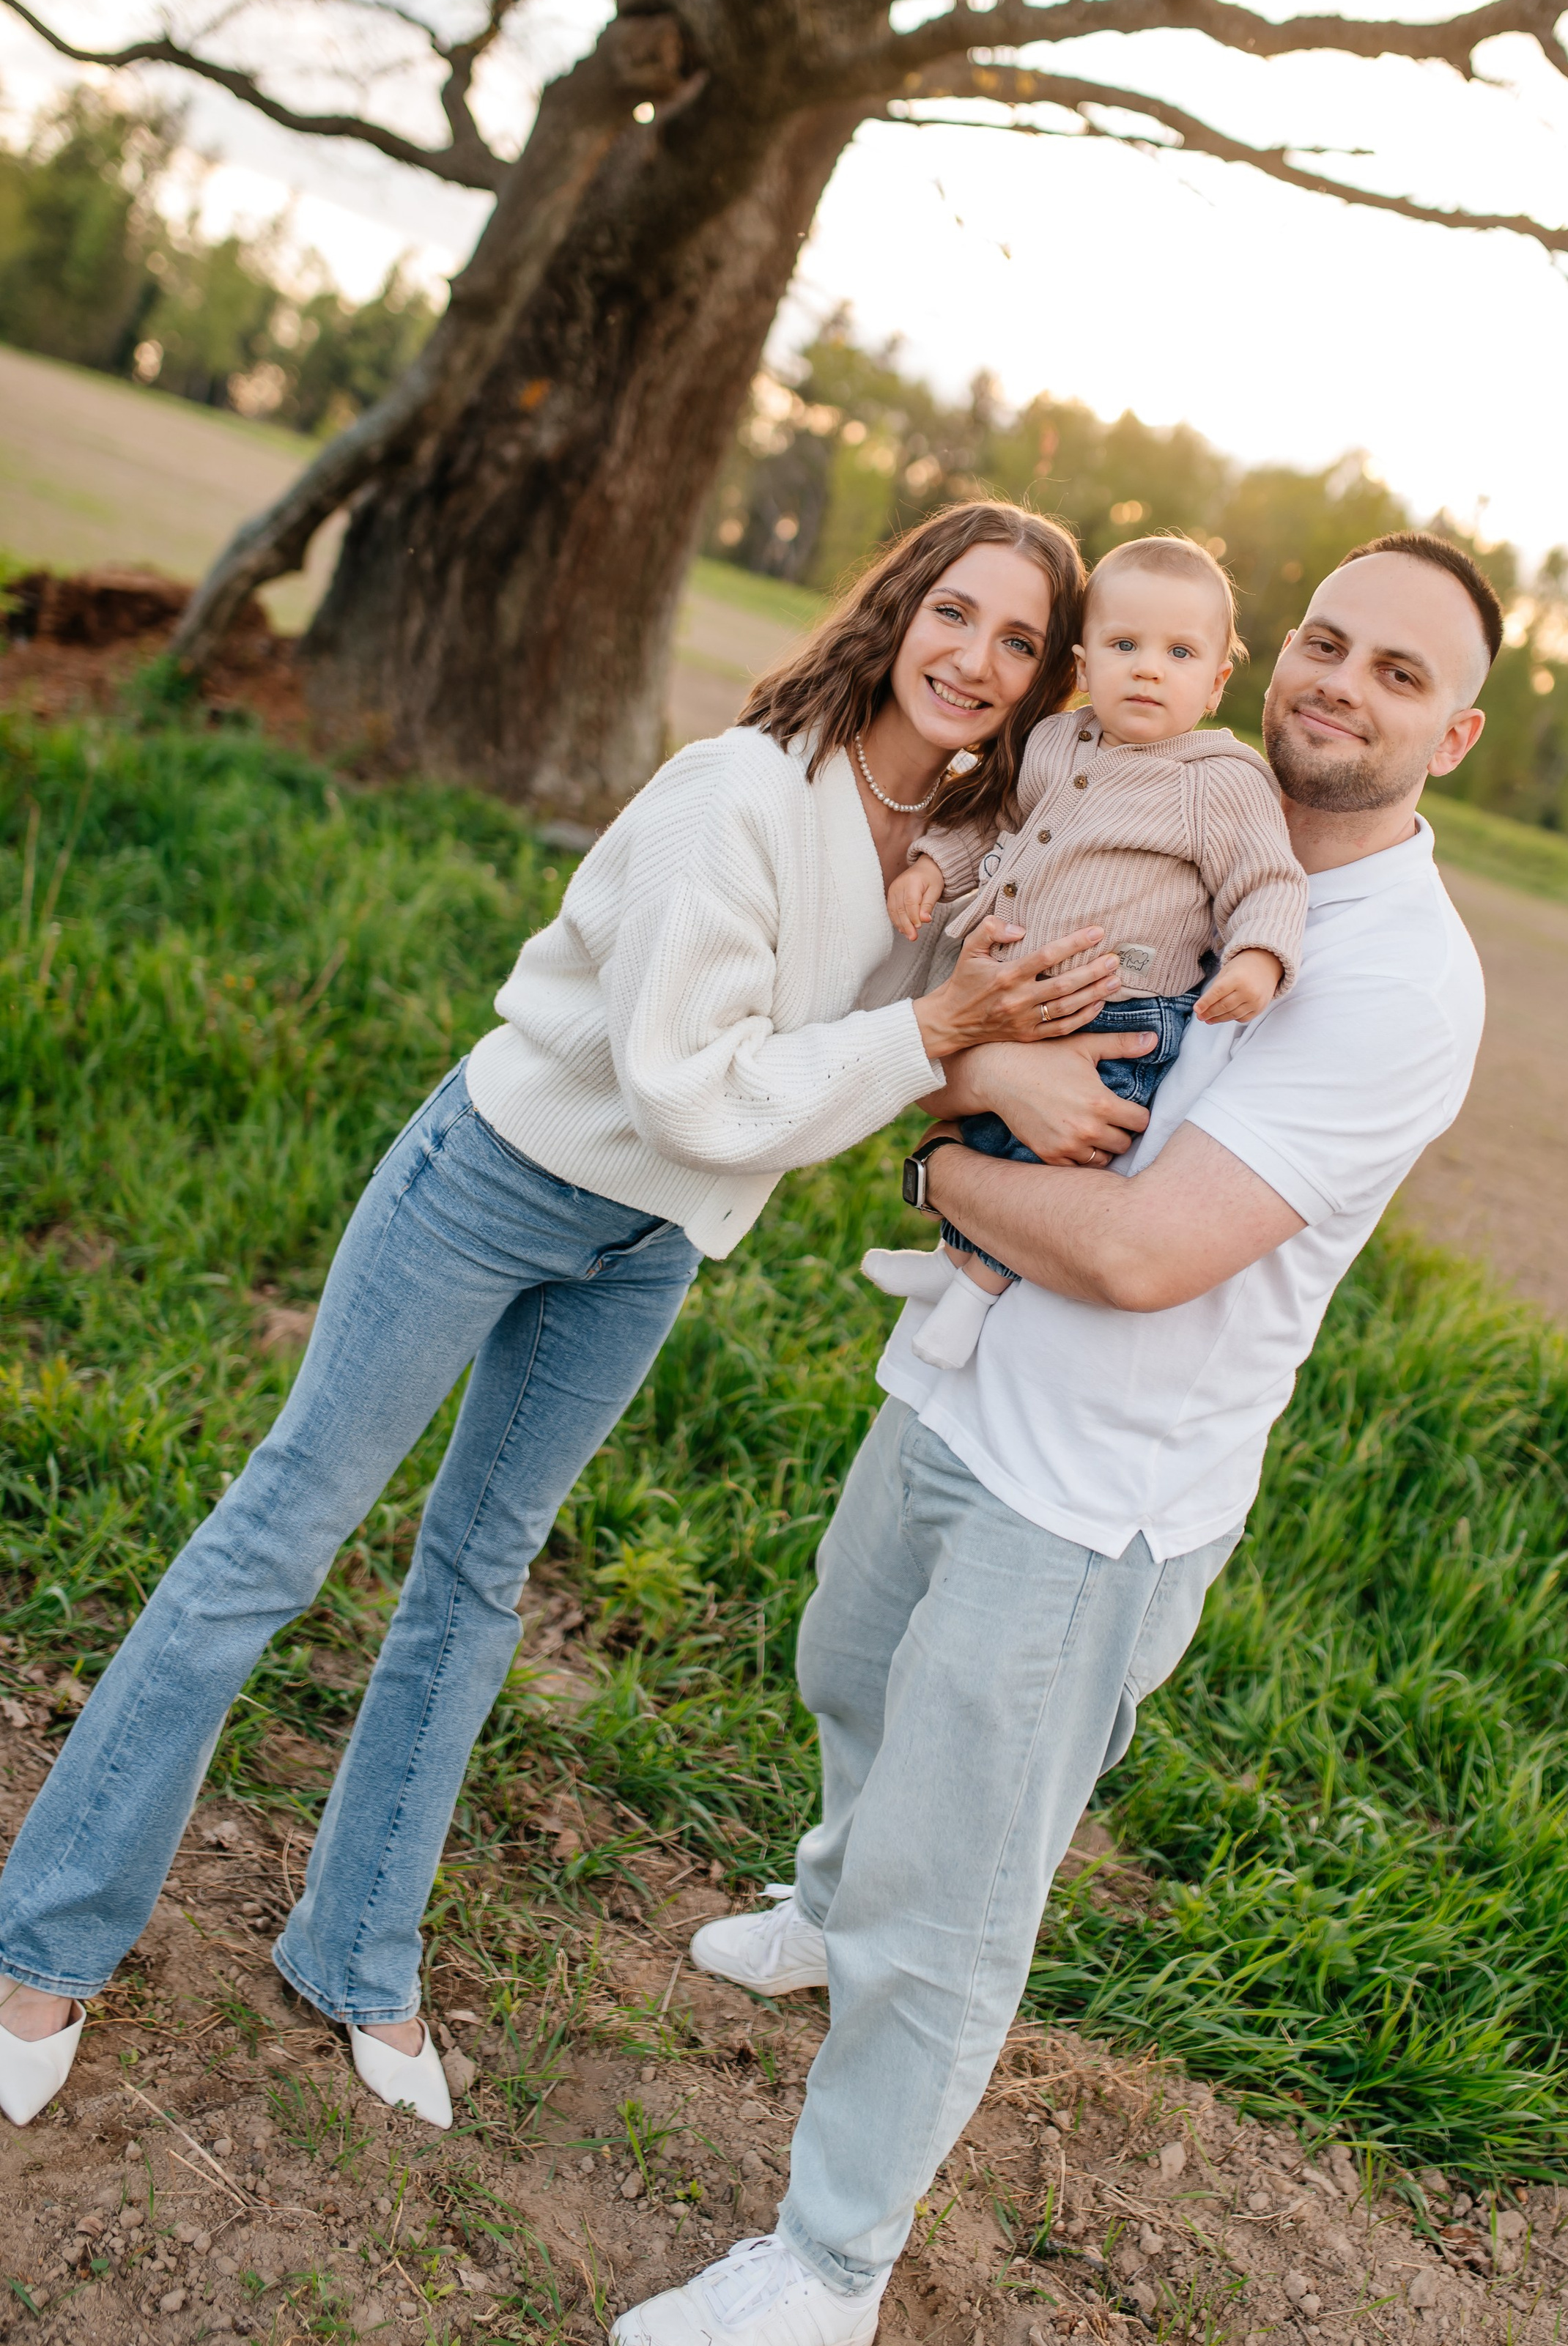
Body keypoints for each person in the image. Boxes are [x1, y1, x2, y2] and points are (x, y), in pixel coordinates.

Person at [0, 501, 1123, 2136]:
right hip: (496, 1178)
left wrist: (988, 1047)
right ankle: (46, 1942)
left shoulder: (955, 845)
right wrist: (945, 1030)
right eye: (957, 612)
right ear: (894, 606)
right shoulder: (738, 794)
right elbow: (694, 1086)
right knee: (279, 1537)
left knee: (476, 1579)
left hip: (645, 1243)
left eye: (1020, 640)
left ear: (1044, 680)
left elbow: (866, 1063)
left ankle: (355, 1951)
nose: (976, 658)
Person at [608, 529, 1498, 2346]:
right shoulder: (1158, 802)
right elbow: (952, 1020)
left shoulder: (1397, 977)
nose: (1340, 681)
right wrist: (955, 1088)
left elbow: (1146, 1247)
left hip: (1096, 1487)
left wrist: (932, 1165)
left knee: (958, 1880)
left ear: (1457, 733)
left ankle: (828, 2257)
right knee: (845, 1667)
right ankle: (827, 1908)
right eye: (1325, 641)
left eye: (1395, 673)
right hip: (956, 1373)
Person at [860, 533, 1306, 1367]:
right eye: (1124, 645)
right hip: (1018, 992)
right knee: (989, 1124)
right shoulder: (1054, 744)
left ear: (1215, 682)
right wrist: (930, 863)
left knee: (1044, 1155)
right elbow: (996, 825)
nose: (1147, 669)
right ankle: (951, 1258)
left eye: (1178, 653)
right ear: (1082, 663)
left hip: (1122, 1010)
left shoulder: (1217, 778)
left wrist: (1258, 959)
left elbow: (1268, 882)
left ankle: (975, 1290)